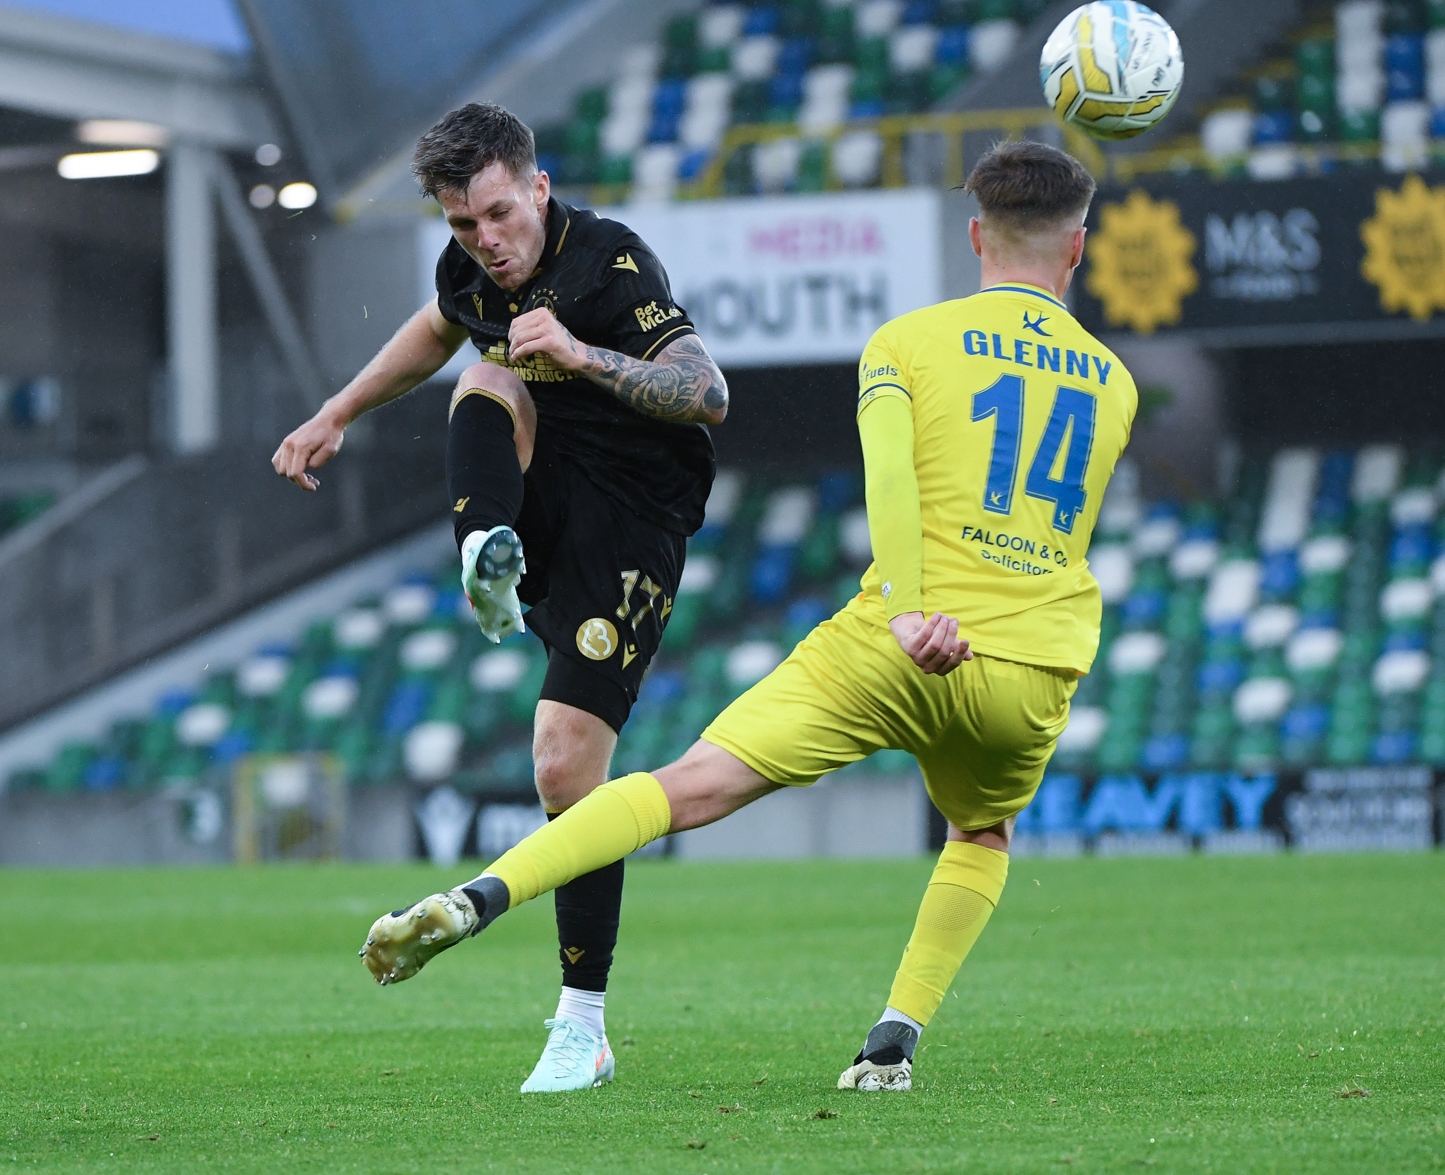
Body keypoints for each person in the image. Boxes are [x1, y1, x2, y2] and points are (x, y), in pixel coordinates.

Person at [357, 139, 1138, 1094]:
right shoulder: (1115, 381)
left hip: (894, 643)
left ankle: (480, 899)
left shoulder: (906, 342)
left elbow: (893, 487)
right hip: (1030, 668)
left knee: (677, 789)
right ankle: (891, 1040)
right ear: (1078, 247)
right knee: (980, 835)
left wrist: (910, 610)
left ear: (975, 236)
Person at [272, 102, 728, 1092]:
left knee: (564, 771)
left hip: (632, 521)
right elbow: (437, 326)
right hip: (542, 503)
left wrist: (578, 352)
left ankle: (582, 1025)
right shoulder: (471, 269)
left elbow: (706, 391)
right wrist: (337, 410)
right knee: (484, 377)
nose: (485, 240)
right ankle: (485, 549)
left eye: (498, 214)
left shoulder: (611, 263)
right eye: (462, 224)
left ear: (538, 189)